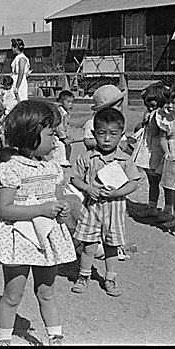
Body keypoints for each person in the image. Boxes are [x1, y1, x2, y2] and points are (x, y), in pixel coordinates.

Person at [0, 100, 76, 346]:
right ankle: (4, 339)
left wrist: (62, 209)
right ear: (31, 134)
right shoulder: (11, 168)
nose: (56, 140)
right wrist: (42, 209)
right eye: (51, 133)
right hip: (20, 237)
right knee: (13, 294)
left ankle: (55, 337)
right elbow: (4, 208)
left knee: (47, 292)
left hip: (46, 237)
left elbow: (58, 201)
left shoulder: (54, 168)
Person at [70, 108, 140, 297]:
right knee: (89, 245)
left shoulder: (125, 160)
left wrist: (118, 192)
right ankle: (84, 276)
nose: (107, 139)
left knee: (111, 246)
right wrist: (88, 188)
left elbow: (134, 182)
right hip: (91, 209)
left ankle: (110, 279)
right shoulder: (87, 157)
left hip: (114, 210)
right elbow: (74, 178)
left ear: (122, 135)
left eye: (113, 134)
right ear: (94, 134)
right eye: (101, 134)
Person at [131, 83, 170, 218]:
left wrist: (151, 118)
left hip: (157, 151)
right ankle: (152, 207)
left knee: (163, 182)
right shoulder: (151, 113)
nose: (149, 108)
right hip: (150, 150)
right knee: (152, 181)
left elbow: (155, 131)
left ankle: (167, 210)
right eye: (148, 105)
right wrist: (144, 121)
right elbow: (139, 128)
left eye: (153, 105)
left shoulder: (161, 114)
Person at [156, 83, 175, 229]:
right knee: (171, 186)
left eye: (174, 102)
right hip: (173, 156)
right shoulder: (167, 120)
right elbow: (163, 137)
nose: (171, 105)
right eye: (169, 102)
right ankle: (170, 212)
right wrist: (167, 151)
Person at [82, 84, 128, 151]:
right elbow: (87, 141)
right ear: (106, 108)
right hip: (97, 156)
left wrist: (123, 143)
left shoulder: (116, 121)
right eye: (117, 106)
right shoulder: (93, 122)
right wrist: (104, 142)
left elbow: (123, 139)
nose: (120, 109)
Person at [55, 90, 75, 163]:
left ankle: (67, 160)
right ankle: (61, 161)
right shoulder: (59, 112)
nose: (70, 104)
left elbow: (67, 126)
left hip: (62, 135)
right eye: (68, 102)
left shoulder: (66, 113)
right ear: (61, 102)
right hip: (56, 135)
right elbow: (58, 126)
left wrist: (68, 136)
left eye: (72, 102)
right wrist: (63, 137)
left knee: (69, 146)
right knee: (60, 146)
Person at [10, 38, 30, 102]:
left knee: (20, 99)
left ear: (16, 48)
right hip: (14, 79)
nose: (12, 49)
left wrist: (17, 87)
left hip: (19, 81)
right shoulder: (17, 57)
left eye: (13, 47)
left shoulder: (22, 58)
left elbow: (21, 73)